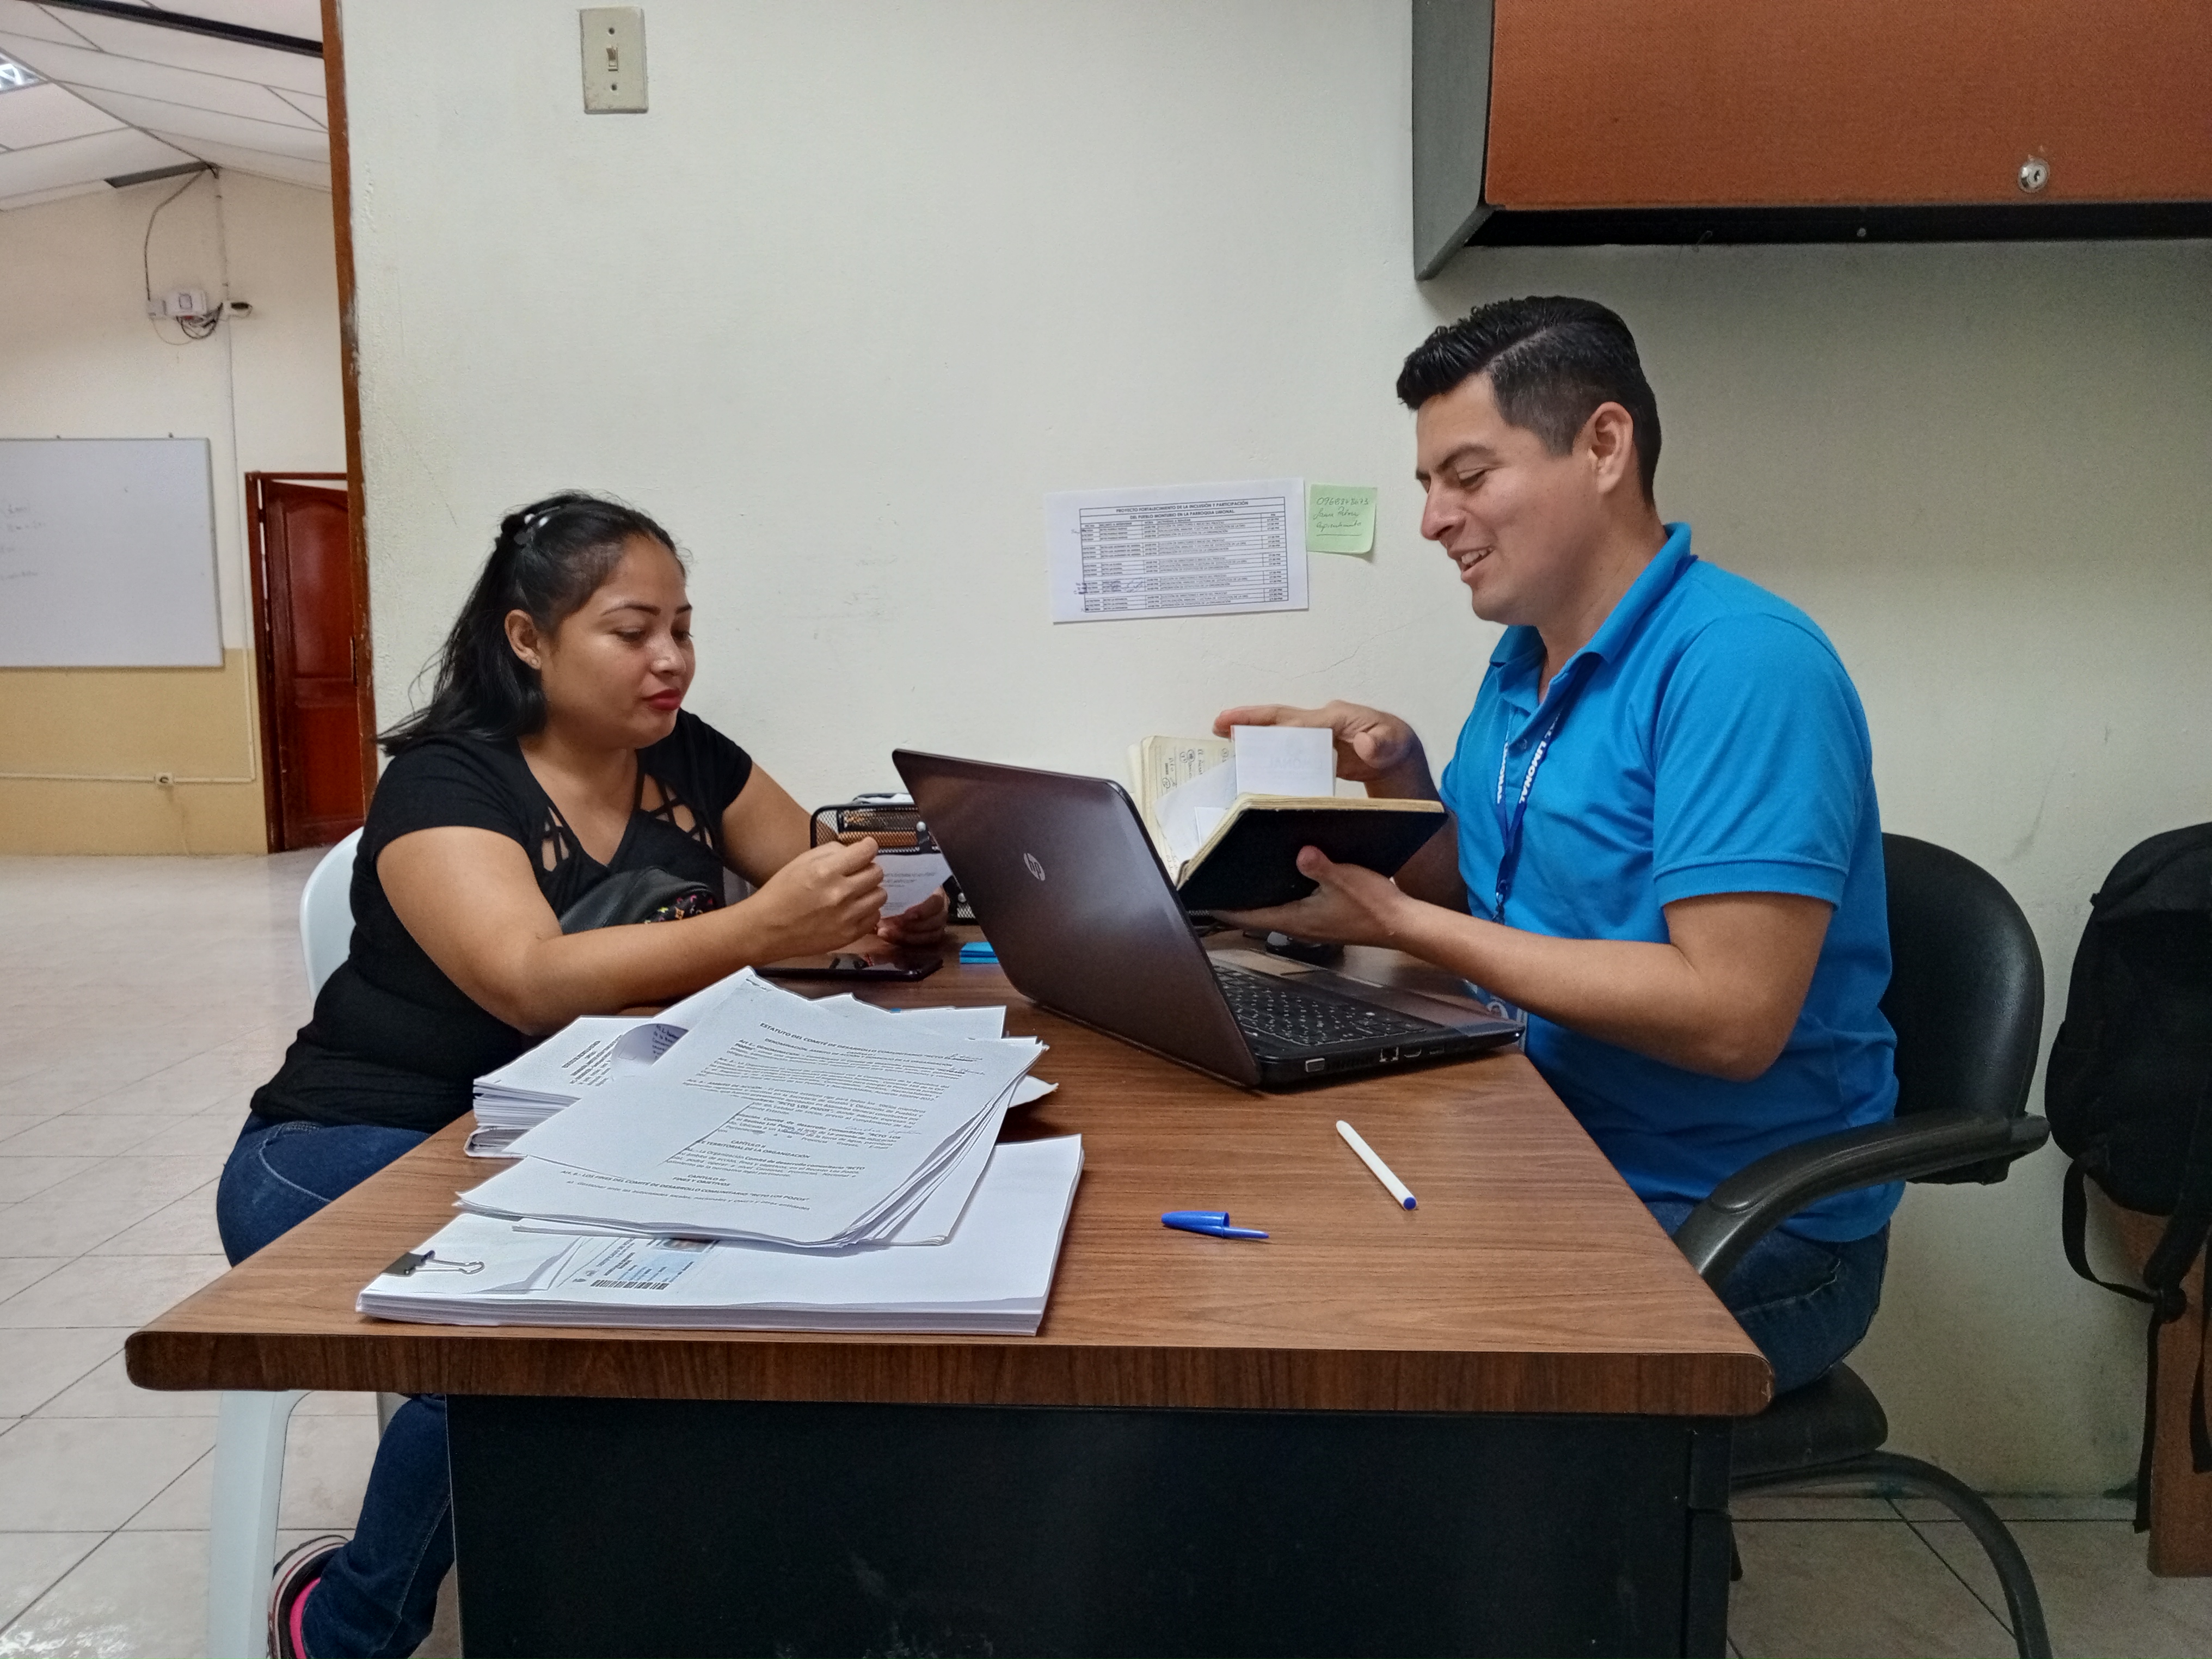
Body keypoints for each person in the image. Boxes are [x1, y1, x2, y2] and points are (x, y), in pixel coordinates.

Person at [216, 491, 946, 1659]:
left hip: (568, 1152)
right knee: (520, 1335)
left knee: (739, 1284)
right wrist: (767, 926)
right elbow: (528, 980)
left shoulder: (689, 757)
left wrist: (882, 918)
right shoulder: (444, 783)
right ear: (527, 638)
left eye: (683, 628)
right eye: (631, 630)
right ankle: (342, 1625)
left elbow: (816, 889)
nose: (672, 661)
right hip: (351, 1149)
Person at [1219, 296, 1895, 1398]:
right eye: (1426, 485)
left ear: (1603, 446)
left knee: (1374, 1348)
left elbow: (1731, 1019)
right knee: (1278, 1242)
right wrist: (1400, 780)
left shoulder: (1743, 666)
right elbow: (1480, 898)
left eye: (1468, 476)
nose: (1434, 520)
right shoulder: (1524, 663)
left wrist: (1399, 922)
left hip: (1725, 1216)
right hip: (1541, 1134)